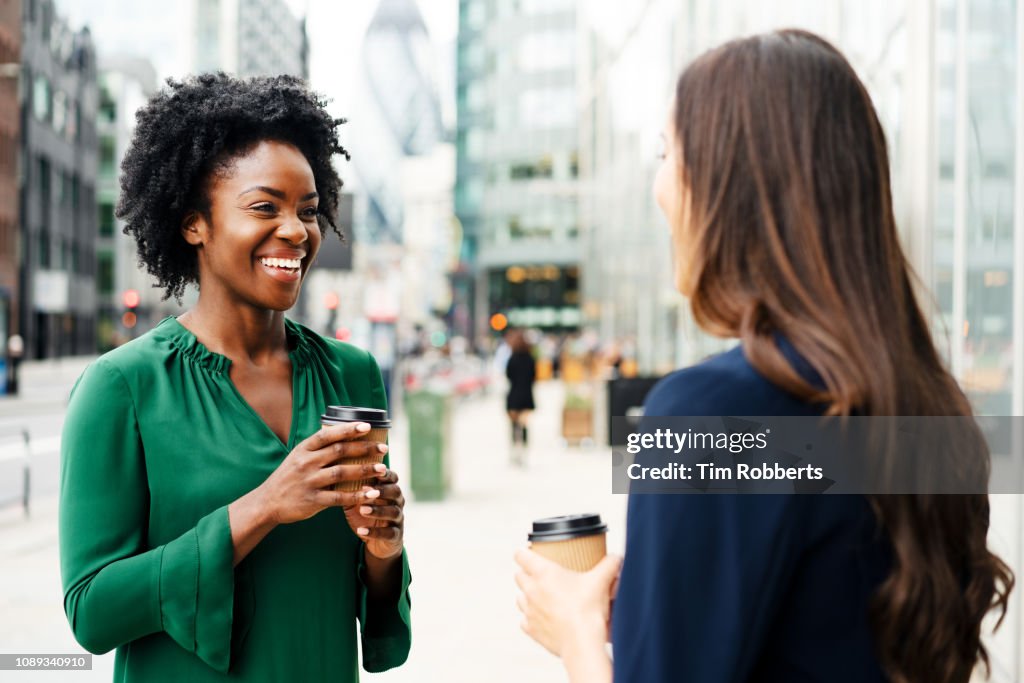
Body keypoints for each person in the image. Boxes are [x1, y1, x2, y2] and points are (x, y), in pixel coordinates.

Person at [514, 30, 1014, 683]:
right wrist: (664, 606)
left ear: (726, 184)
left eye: (667, 153)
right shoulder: (931, 409)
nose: (658, 188)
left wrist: (575, 632)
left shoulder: (707, 415)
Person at [59, 73, 411, 682]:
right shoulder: (122, 387)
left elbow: (374, 618)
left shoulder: (351, 373)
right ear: (195, 223)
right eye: (263, 207)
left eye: (308, 210)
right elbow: (91, 611)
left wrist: (385, 551)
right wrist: (265, 506)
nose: (297, 231)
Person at [505, 328, 536, 467]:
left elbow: (508, 376)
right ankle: (523, 452)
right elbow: (534, 377)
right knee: (524, 425)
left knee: (513, 425)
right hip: (527, 395)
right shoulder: (530, 358)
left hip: (514, 395)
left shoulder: (512, 358)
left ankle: (514, 452)